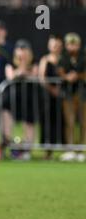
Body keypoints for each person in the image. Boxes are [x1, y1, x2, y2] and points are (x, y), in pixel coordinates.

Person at [1, 39, 39, 160]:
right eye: (19, 49)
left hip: (29, 97)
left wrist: (24, 69)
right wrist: (20, 71)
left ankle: (26, 150)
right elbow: (10, 75)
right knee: (7, 123)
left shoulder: (34, 62)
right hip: (12, 98)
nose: (22, 52)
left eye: (24, 49)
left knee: (29, 123)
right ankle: (10, 148)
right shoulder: (10, 62)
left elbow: (35, 75)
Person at [57, 33, 86, 162]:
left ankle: (82, 149)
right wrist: (67, 77)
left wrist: (78, 76)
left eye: (74, 44)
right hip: (68, 95)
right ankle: (70, 150)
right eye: (70, 44)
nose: (72, 47)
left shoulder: (84, 57)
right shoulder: (63, 58)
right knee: (69, 123)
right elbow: (60, 71)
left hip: (83, 95)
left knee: (84, 123)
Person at [38, 34, 64, 160]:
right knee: (47, 122)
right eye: (54, 45)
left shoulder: (63, 60)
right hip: (47, 97)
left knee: (61, 122)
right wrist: (52, 89)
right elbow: (42, 78)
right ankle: (47, 151)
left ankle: (64, 149)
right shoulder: (45, 59)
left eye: (58, 45)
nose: (56, 47)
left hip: (62, 97)